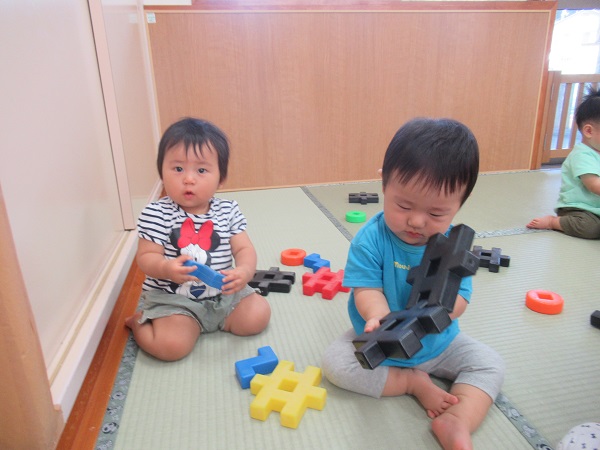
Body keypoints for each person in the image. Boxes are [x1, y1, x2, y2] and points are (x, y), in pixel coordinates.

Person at [321, 118, 505, 450]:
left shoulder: (454, 247)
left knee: (490, 363)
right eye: (403, 205)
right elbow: (367, 289)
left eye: (436, 214)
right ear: (384, 184)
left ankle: (457, 418)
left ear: (459, 205)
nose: (416, 221)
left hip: (440, 344)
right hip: (382, 343)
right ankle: (409, 382)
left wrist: (438, 314)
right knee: (336, 365)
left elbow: (460, 297)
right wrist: (379, 318)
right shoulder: (370, 240)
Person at [125, 117, 271, 361]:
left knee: (258, 315)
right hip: (174, 300)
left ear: (220, 178)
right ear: (162, 172)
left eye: (201, 170)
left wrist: (244, 272)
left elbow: (244, 249)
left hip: (223, 294)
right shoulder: (156, 213)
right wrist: (166, 268)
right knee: (172, 347)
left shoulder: (228, 210)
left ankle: (214, 320)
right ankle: (139, 323)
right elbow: (146, 257)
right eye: (178, 169)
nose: (189, 179)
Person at [527, 88, 600, 239]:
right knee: (590, 228)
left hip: (597, 208)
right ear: (589, 131)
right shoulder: (582, 155)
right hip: (580, 210)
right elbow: (594, 185)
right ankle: (553, 222)